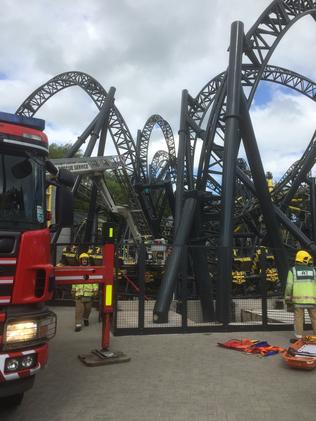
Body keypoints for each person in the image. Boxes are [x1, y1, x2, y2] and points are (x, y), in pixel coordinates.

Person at [285, 250, 316, 342]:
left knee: (298, 319)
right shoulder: (313, 271)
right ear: (305, 259)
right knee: (314, 318)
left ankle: (299, 338)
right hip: (312, 301)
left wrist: (287, 299)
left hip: (298, 301)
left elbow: (289, 286)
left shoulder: (292, 270)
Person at [72, 253, 99, 332]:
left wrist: (95, 289)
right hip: (79, 294)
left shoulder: (91, 270)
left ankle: (85, 318)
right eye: (83, 259)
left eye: (85, 259)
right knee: (79, 310)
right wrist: (73, 289)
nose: (84, 261)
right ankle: (78, 324)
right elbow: (74, 280)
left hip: (89, 294)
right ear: (80, 260)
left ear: (87, 260)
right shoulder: (77, 270)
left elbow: (94, 280)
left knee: (88, 309)